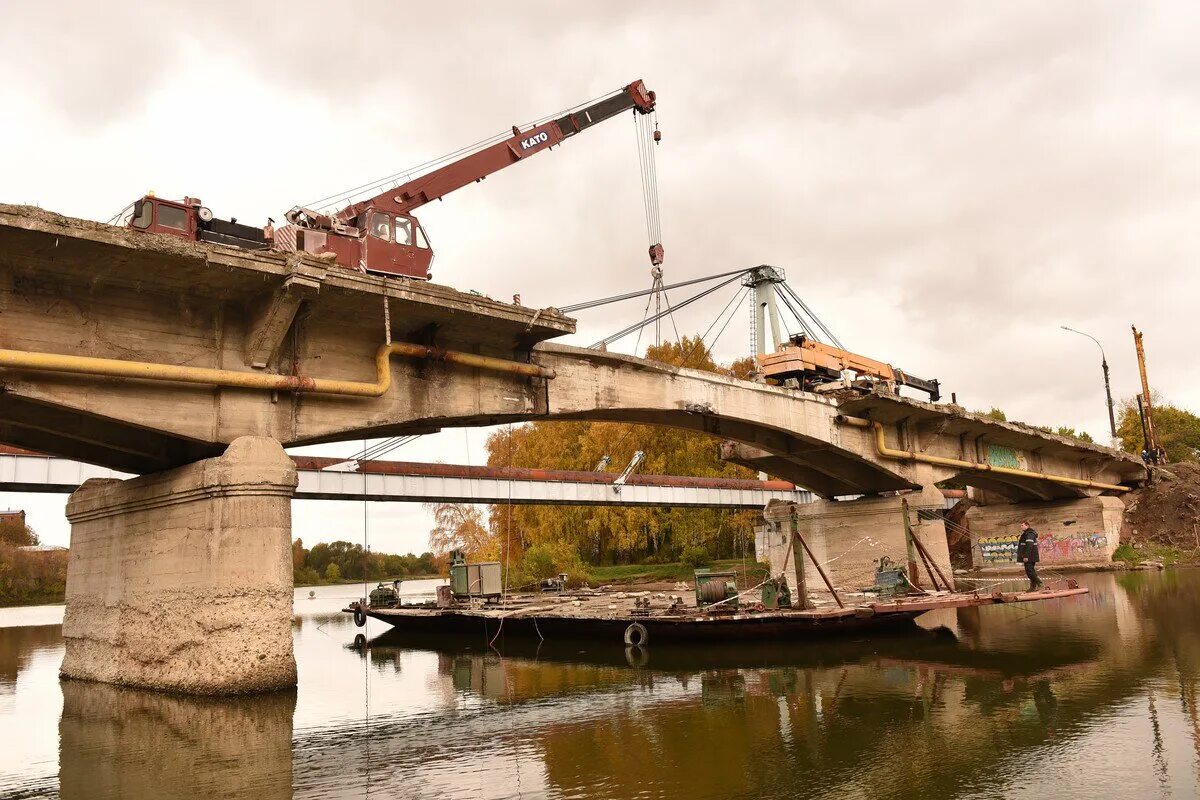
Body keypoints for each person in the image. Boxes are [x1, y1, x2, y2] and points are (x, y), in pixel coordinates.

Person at [1016, 521, 1042, 590]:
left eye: (1022, 525)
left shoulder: (1029, 534)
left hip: (1030, 556)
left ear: (1027, 526)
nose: (1021, 527)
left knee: (1029, 571)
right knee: (1031, 571)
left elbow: (1029, 546)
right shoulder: (1026, 534)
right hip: (1030, 556)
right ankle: (1032, 588)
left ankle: (1039, 582)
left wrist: (1026, 556)